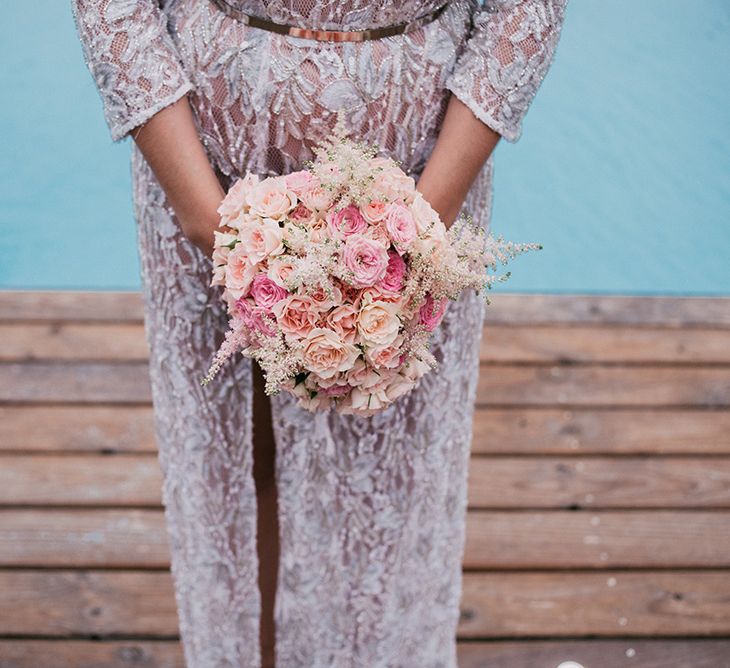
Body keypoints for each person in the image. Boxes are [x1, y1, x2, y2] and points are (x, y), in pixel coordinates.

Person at [71, 0, 567, 666]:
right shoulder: (202, 204)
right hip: (209, 163)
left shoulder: (423, 207)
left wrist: (419, 228)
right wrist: (203, 214)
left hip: (419, 163)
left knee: (393, 467)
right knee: (245, 459)